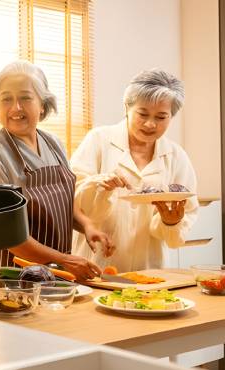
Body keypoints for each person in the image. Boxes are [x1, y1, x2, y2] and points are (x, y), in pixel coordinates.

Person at [0, 61, 111, 282]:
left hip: (51, 274)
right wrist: (64, 260)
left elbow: (64, 200)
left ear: (43, 104)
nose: (16, 107)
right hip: (8, 279)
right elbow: (8, 237)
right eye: (6, 99)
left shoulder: (54, 144)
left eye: (25, 98)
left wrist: (87, 225)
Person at [70, 69, 198, 272]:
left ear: (171, 117)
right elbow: (71, 198)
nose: (150, 124)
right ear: (127, 108)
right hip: (95, 263)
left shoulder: (176, 156)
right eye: (143, 114)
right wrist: (99, 185)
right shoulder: (99, 140)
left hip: (148, 269)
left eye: (161, 117)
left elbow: (185, 216)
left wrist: (170, 223)